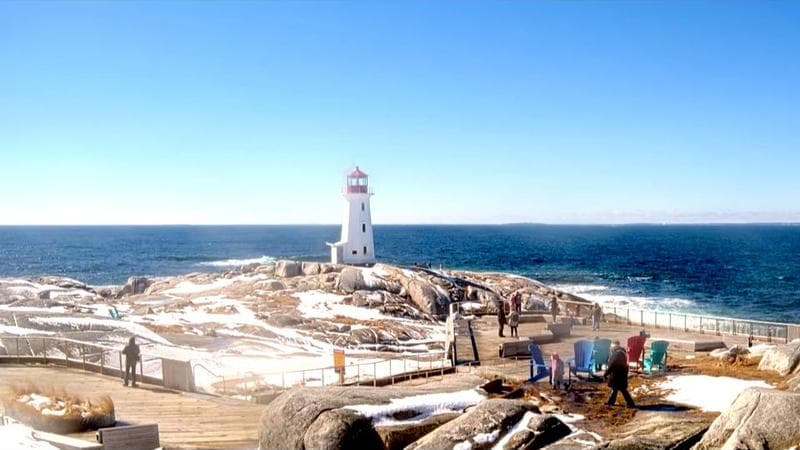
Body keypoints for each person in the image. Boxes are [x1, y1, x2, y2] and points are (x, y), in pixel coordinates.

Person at [604, 341, 635, 407]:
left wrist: (606, 374)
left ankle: (630, 403)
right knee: (617, 390)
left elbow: (612, 365)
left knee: (620, 390)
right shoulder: (622, 354)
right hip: (621, 375)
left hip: (617, 375)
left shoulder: (617, 355)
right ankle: (611, 402)